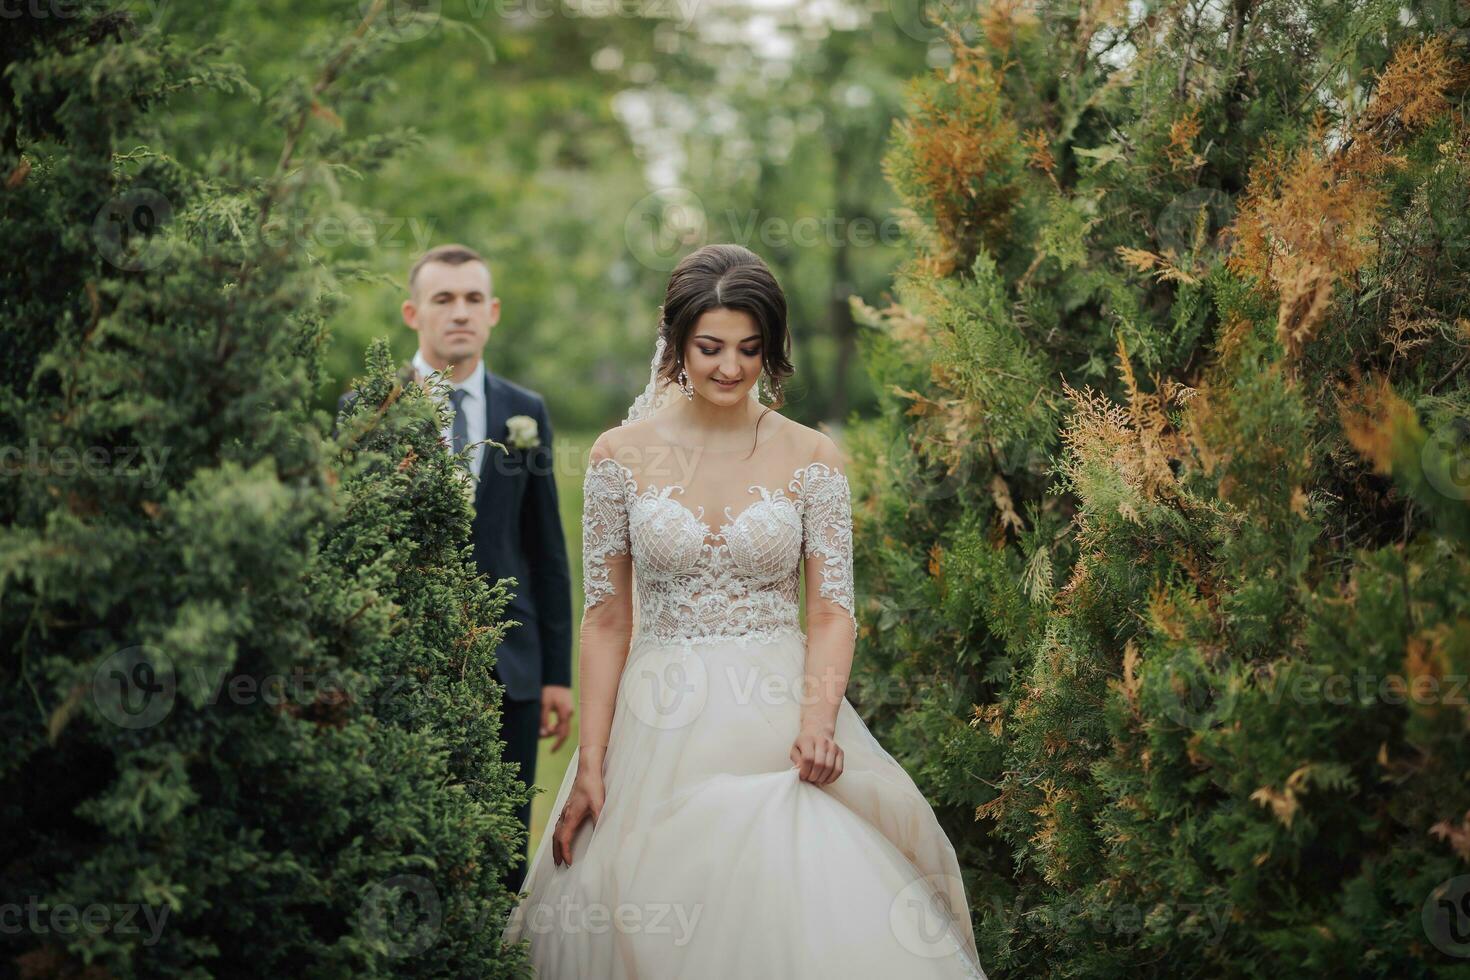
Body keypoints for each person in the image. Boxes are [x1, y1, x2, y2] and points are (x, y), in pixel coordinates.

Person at [502, 243, 985, 978]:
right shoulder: (617, 456)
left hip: (779, 709)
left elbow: (830, 612)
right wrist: (593, 762)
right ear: (676, 345)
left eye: (750, 349)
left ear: (772, 350)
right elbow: (606, 621)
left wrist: (818, 724)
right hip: (655, 717)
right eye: (711, 348)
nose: (730, 367)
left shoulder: (812, 457)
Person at [397, 243, 575, 895]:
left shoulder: (525, 412)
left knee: (502, 845)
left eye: (473, 299)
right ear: (413, 312)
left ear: (493, 312)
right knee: (408, 844)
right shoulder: (373, 410)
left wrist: (558, 674)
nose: (460, 313)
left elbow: (547, 552)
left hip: (512, 667)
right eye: (443, 299)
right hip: (406, 665)